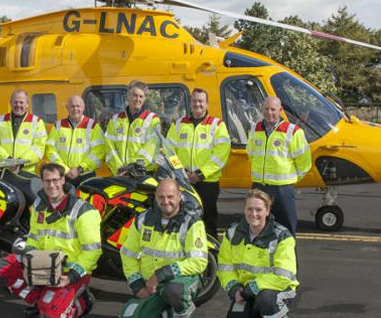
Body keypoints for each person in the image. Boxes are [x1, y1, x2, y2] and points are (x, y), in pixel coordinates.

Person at [0, 163, 102, 318]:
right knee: (0, 268)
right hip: (44, 265)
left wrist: (70, 277)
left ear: (63, 180)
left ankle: (82, 302)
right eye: (47, 181)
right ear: (42, 182)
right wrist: (28, 261)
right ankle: (40, 300)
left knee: (51, 316)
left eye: (55, 180)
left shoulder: (84, 211)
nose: (52, 185)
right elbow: (34, 237)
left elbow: (93, 252)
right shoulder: (39, 205)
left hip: (71, 272)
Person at [118, 178, 208, 318]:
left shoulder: (192, 222)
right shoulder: (142, 220)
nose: (166, 201)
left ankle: (182, 312)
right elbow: (127, 254)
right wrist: (137, 285)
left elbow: (199, 262)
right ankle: (165, 312)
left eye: (170, 197)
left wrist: (161, 274)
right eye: (161, 197)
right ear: (155, 197)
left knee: (173, 291)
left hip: (180, 282)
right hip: (151, 285)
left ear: (179, 196)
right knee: (129, 315)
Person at [217, 190, 298, 318]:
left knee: (266, 301)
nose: (254, 214)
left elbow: (284, 275)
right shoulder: (232, 233)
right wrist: (234, 288)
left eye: (259, 210)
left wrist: (254, 287)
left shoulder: (281, 236)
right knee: (236, 316)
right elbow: (224, 266)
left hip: (278, 289)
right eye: (250, 209)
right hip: (245, 291)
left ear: (267, 211)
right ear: (244, 210)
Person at [166, 87, 231, 238]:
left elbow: (221, 154)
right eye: (194, 101)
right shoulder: (179, 124)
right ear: (190, 103)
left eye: (201, 101)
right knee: (182, 219)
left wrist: (200, 174)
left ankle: (211, 255)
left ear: (207, 104)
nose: (197, 104)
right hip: (183, 181)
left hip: (207, 182)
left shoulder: (217, 125)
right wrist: (181, 171)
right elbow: (169, 151)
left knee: (208, 219)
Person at [246, 96, 311, 236]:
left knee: (286, 229)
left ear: (280, 110)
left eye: (273, 109)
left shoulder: (293, 131)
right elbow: (251, 154)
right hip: (259, 187)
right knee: (258, 228)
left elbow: (304, 163)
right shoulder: (254, 129)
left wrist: (290, 180)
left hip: (282, 190)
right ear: (262, 110)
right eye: (266, 109)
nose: (270, 113)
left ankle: (287, 257)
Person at [46, 95, 106, 186]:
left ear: (83, 107)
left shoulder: (93, 126)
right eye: (72, 106)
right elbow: (50, 150)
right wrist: (65, 169)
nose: (75, 109)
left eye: (78, 106)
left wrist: (80, 169)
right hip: (62, 176)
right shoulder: (58, 126)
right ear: (67, 108)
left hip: (86, 175)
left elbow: (99, 152)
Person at [0, 89, 47, 175]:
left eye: (21, 102)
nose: (18, 105)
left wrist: (21, 162)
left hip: (26, 172)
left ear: (27, 104)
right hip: (3, 172)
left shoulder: (37, 122)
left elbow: (39, 147)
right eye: (15, 102)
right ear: (10, 103)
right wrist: (7, 159)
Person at [105, 80, 161, 175]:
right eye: (134, 95)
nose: (137, 99)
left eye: (141, 96)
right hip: (119, 173)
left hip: (142, 173)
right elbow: (109, 147)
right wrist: (119, 168)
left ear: (144, 99)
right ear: (128, 96)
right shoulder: (115, 119)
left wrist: (131, 168)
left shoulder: (152, 120)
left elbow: (151, 149)